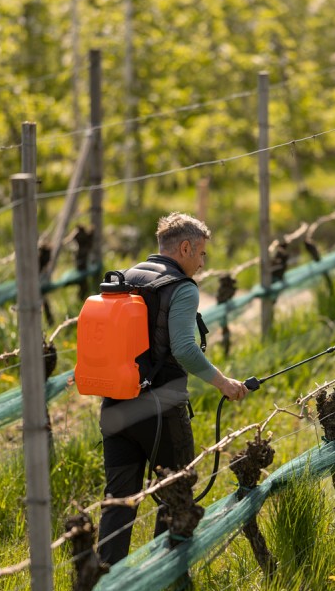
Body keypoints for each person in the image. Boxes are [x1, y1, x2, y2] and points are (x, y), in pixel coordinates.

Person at [97, 212, 248, 566]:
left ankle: (103, 588)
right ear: (184, 247)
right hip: (160, 409)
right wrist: (223, 383)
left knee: (119, 500)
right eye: (201, 254)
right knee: (176, 493)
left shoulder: (126, 277)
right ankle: (165, 576)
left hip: (116, 405)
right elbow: (183, 348)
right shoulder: (180, 287)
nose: (202, 262)